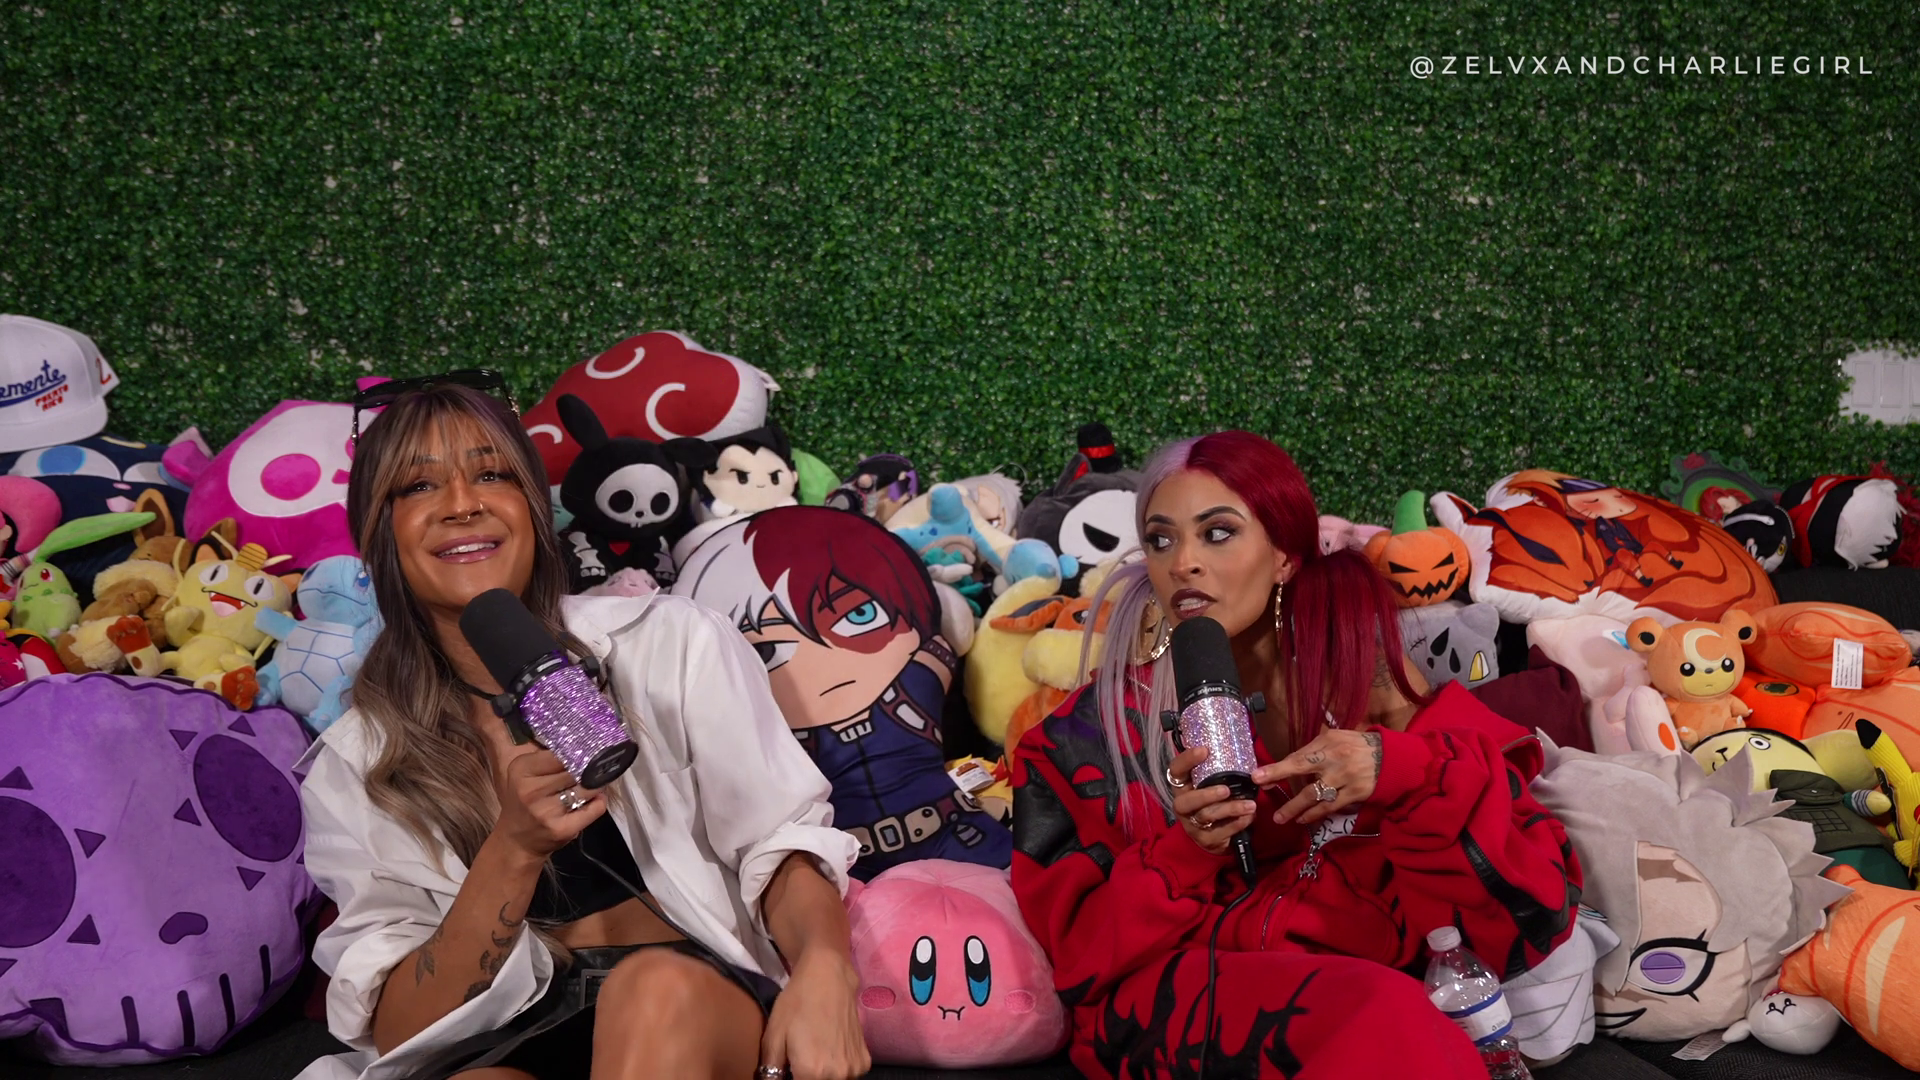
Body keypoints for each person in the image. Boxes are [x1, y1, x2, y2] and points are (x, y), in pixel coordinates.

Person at [295, 374, 870, 1080]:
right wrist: (513, 849)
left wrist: (825, 968)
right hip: (504, 1035)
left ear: (535, 509)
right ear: (377, 532)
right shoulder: (358, 760)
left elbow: (778, 841)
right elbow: (399, 1032)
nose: (462, 504)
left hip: (687, 1004)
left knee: (651, 992)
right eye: (418, 486)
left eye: (492, 474)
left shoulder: (670, 641)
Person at [1010, 431, 1583, 1079]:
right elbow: (1078, 962)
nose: (1183, 564)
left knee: (1390, 1017)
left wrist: (1394, 769)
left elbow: (1525, 906)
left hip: (1371, 994)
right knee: (1382, 1013)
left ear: (1283, 556)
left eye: (1217, 533)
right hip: (1181, 1000)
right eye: (1161, 540)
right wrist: (1187, 851)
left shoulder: (1360, 668)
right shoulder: (1085, 736)